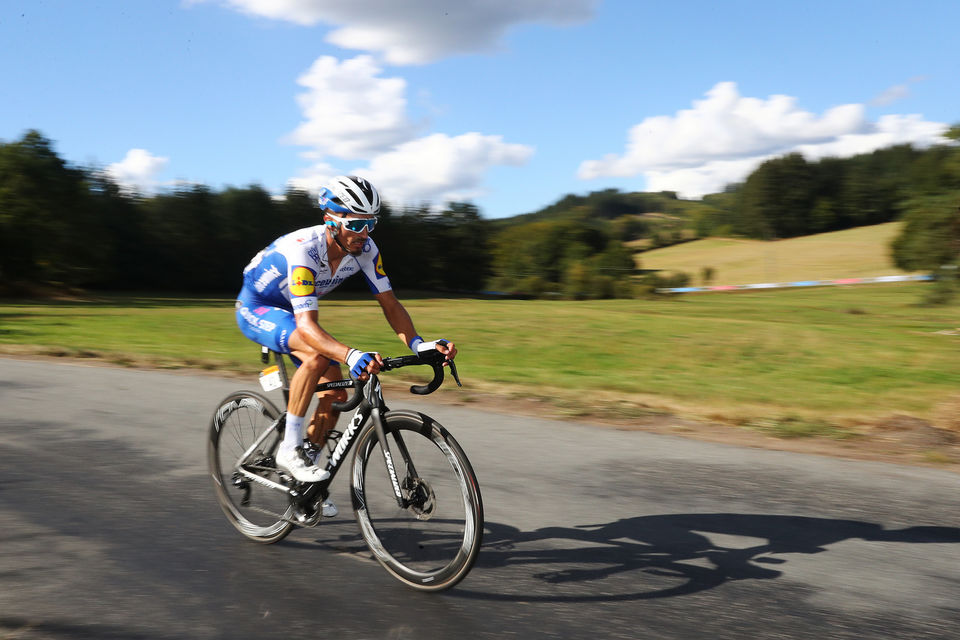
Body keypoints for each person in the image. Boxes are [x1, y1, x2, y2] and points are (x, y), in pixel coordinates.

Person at [235, 175, 456, 517]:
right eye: (357, 224)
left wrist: (419, 344)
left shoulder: (365, 249)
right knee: (316, 356)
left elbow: (390, 304)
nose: (365, 233)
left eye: (372, 223)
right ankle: (288, 450)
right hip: (258, 307)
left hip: (294, 314)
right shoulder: (304, 250)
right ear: (331, 221)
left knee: (336, 397)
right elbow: (307, 326)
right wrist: (351, 354)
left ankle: (305, 485)